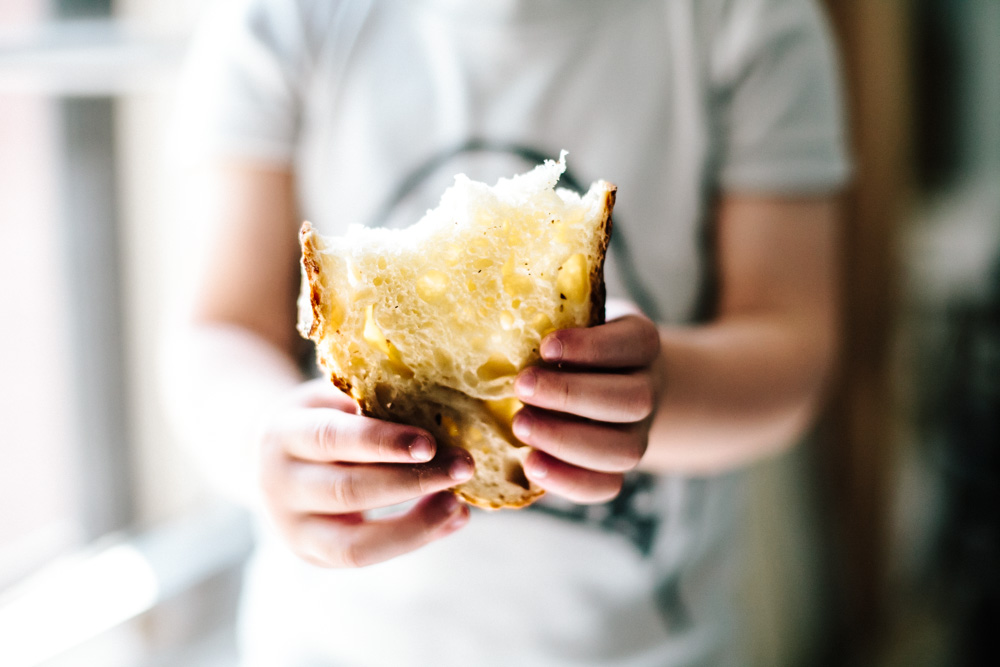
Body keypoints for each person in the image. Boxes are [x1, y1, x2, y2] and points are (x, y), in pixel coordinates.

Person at [164, 0, 850, 664]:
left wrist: (660, 392)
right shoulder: (281, 17)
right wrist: (271, 439)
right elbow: (220, 331)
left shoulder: (748, 17)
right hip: (333, 644)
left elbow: (790, 353)